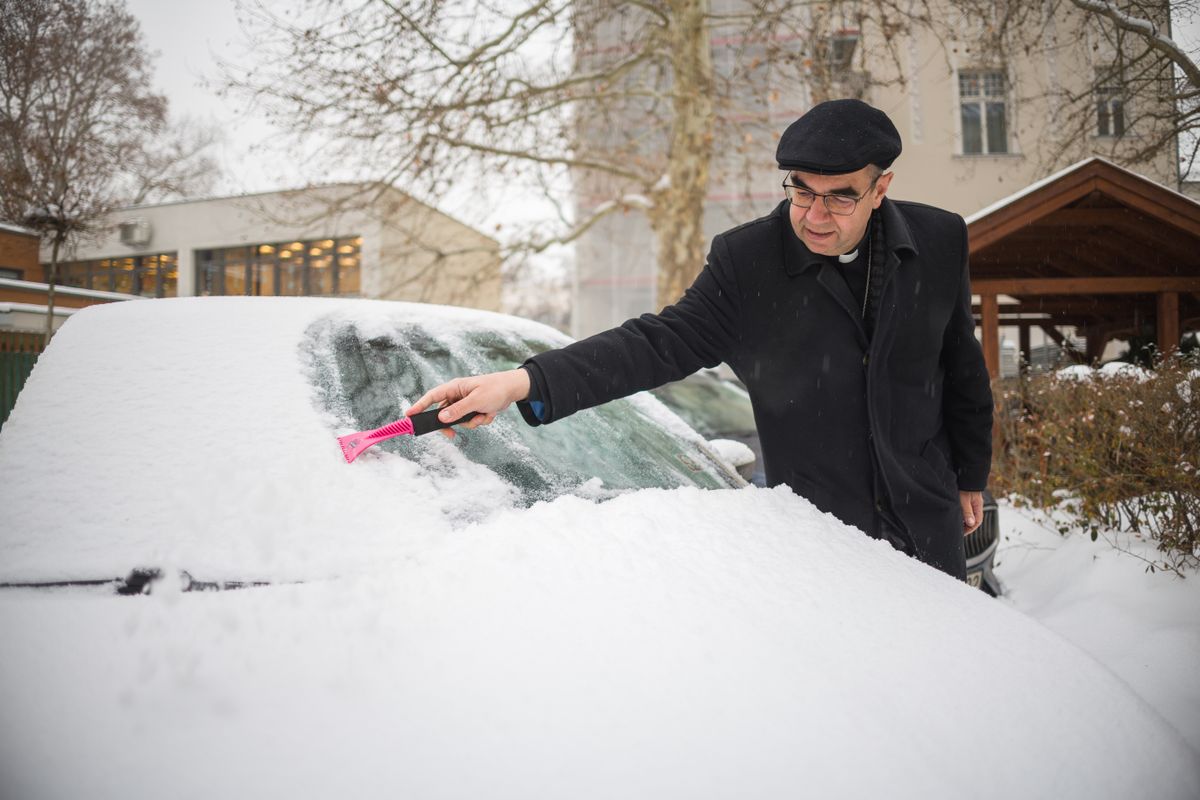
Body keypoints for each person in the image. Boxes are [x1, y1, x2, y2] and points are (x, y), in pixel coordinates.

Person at [407, 98, 994, 582]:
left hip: (929, 522)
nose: (815, 215)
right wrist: (520, 382)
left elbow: (961, 366)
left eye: (840, 195)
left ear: (880, 186)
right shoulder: (748, 262)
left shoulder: (940, 239)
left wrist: (970, 474)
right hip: (824, 542)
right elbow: (657, 342)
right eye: (801, 191)